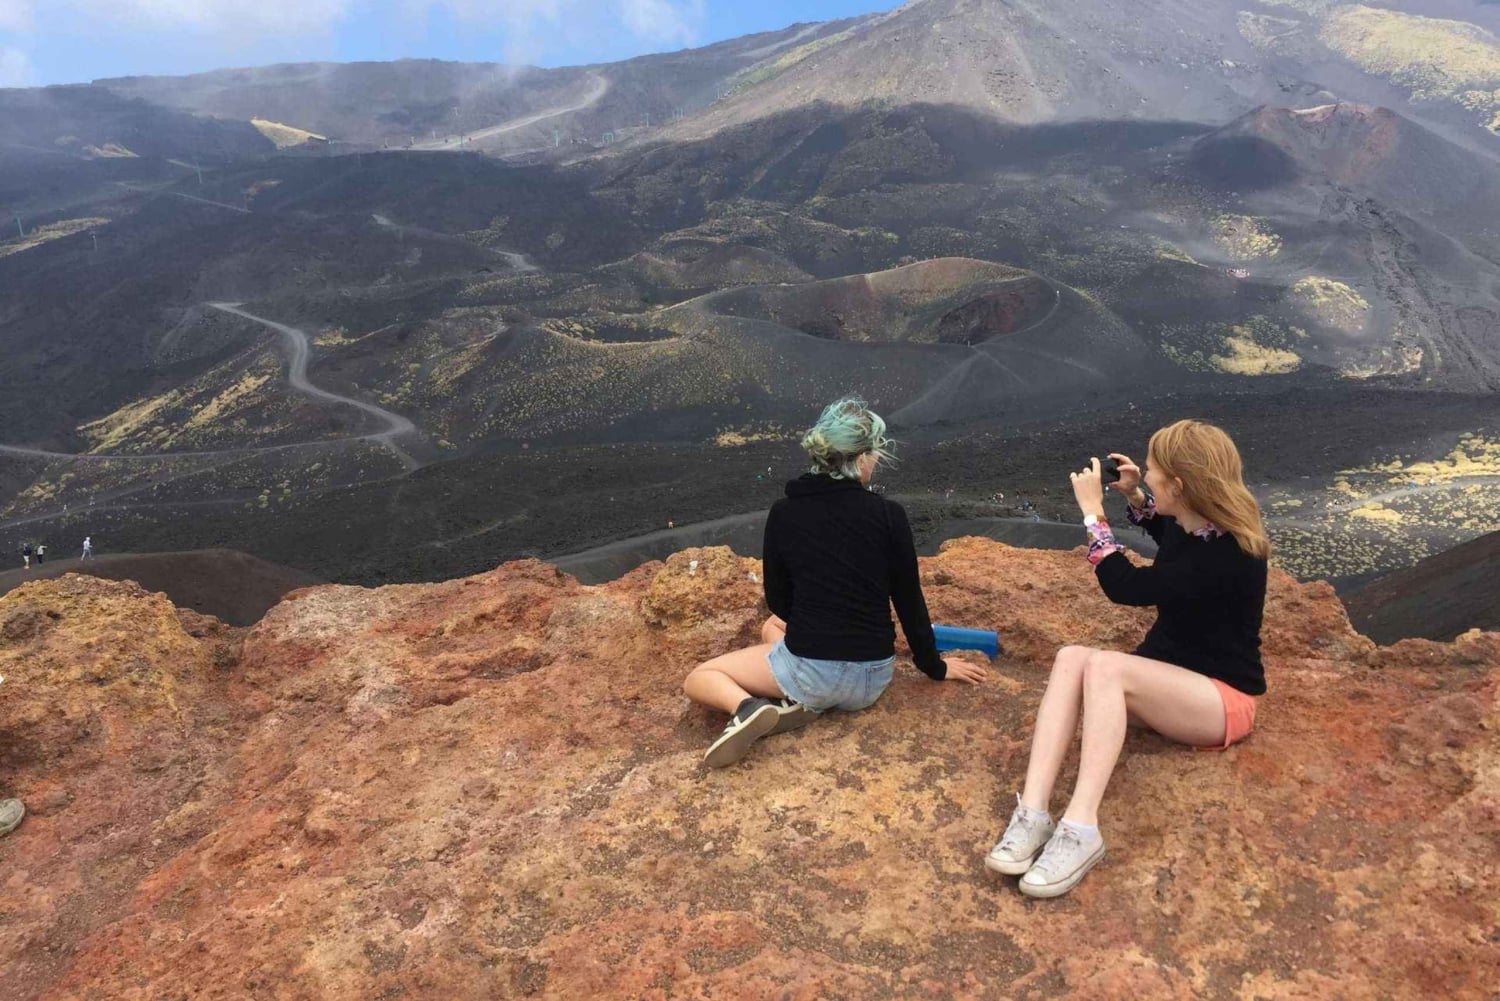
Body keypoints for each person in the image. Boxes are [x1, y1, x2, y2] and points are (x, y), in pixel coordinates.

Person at [986, 419, 1269, 898]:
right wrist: (1136, 496)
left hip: (1221, 702)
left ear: (1180, 486)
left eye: (1154, 472)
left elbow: (1127, 587)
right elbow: (1171, 535)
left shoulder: (1229, 556)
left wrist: (1093, 514)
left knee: (1105, 666)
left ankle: (1082, 827)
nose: (1148, 474)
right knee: (1072, 657)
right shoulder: (1202, 528)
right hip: (1170, 686)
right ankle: (1032, 813)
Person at [683, 397, 989, 768]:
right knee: (771, 629)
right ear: (859, 460)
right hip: (872, 678)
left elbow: (778, 598)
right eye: (874, 454)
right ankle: (800, 699)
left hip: (810, 676)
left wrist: (817, 628)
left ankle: (749, 708)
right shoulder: (889, 515)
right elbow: (909, 599)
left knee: (701, 676)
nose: (875, 462)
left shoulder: (785, 513)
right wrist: (934, 666)